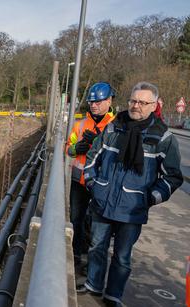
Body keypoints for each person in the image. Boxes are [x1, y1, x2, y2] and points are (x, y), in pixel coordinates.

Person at [78, 81, 183, 307]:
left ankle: (113, 295)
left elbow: (172, 176)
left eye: (143, 102)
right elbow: (93, 156)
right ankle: (93, 285)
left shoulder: (162, 137)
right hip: (103, 201)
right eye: (133, 101)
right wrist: (93, 184)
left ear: (153, 105)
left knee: (122, 257)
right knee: (96, 246)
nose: (136, 106)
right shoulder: (115, 126)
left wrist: (149, 198)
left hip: (132, 208)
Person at [66, 82, 115, 267]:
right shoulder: (80, 125)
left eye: (98, 101)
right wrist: (74, 148)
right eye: (91, 102)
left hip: (101, 183)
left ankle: (92, 263)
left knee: (97, 224)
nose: (94, 105)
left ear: (109, 101)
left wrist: (97, 143)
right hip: (79, 182)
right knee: (76, 219)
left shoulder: (115, 126)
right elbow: (67, 148)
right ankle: (76, 255)